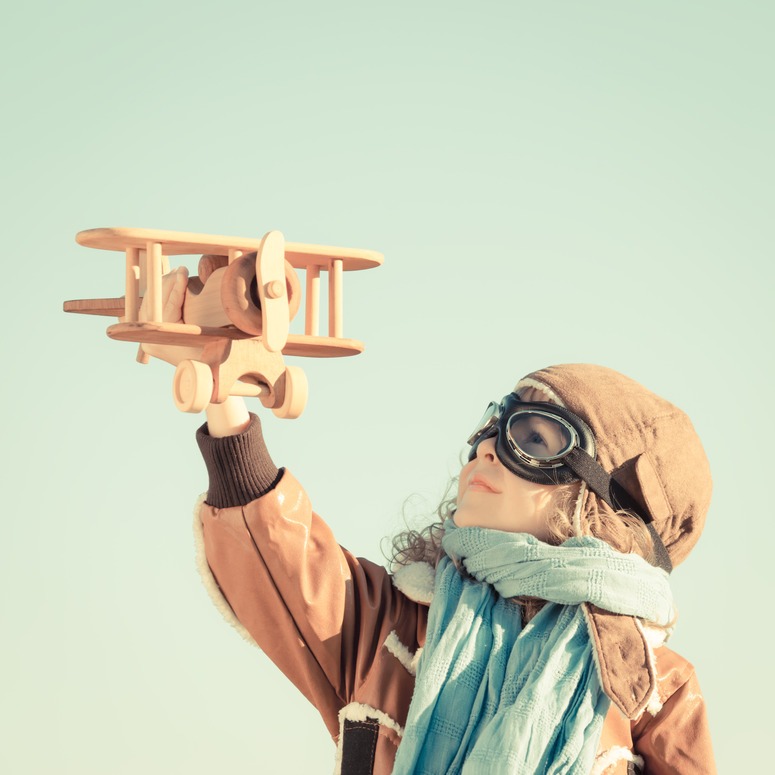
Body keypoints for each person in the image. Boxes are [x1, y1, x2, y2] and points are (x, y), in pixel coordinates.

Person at [193, 363, 716, 775]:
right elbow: (282, 558)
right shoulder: (396, 627)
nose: (488, 447)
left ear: (601, 501)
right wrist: (224, 391)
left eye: (533, 438)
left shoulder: (651, 685)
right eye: (493, 426)